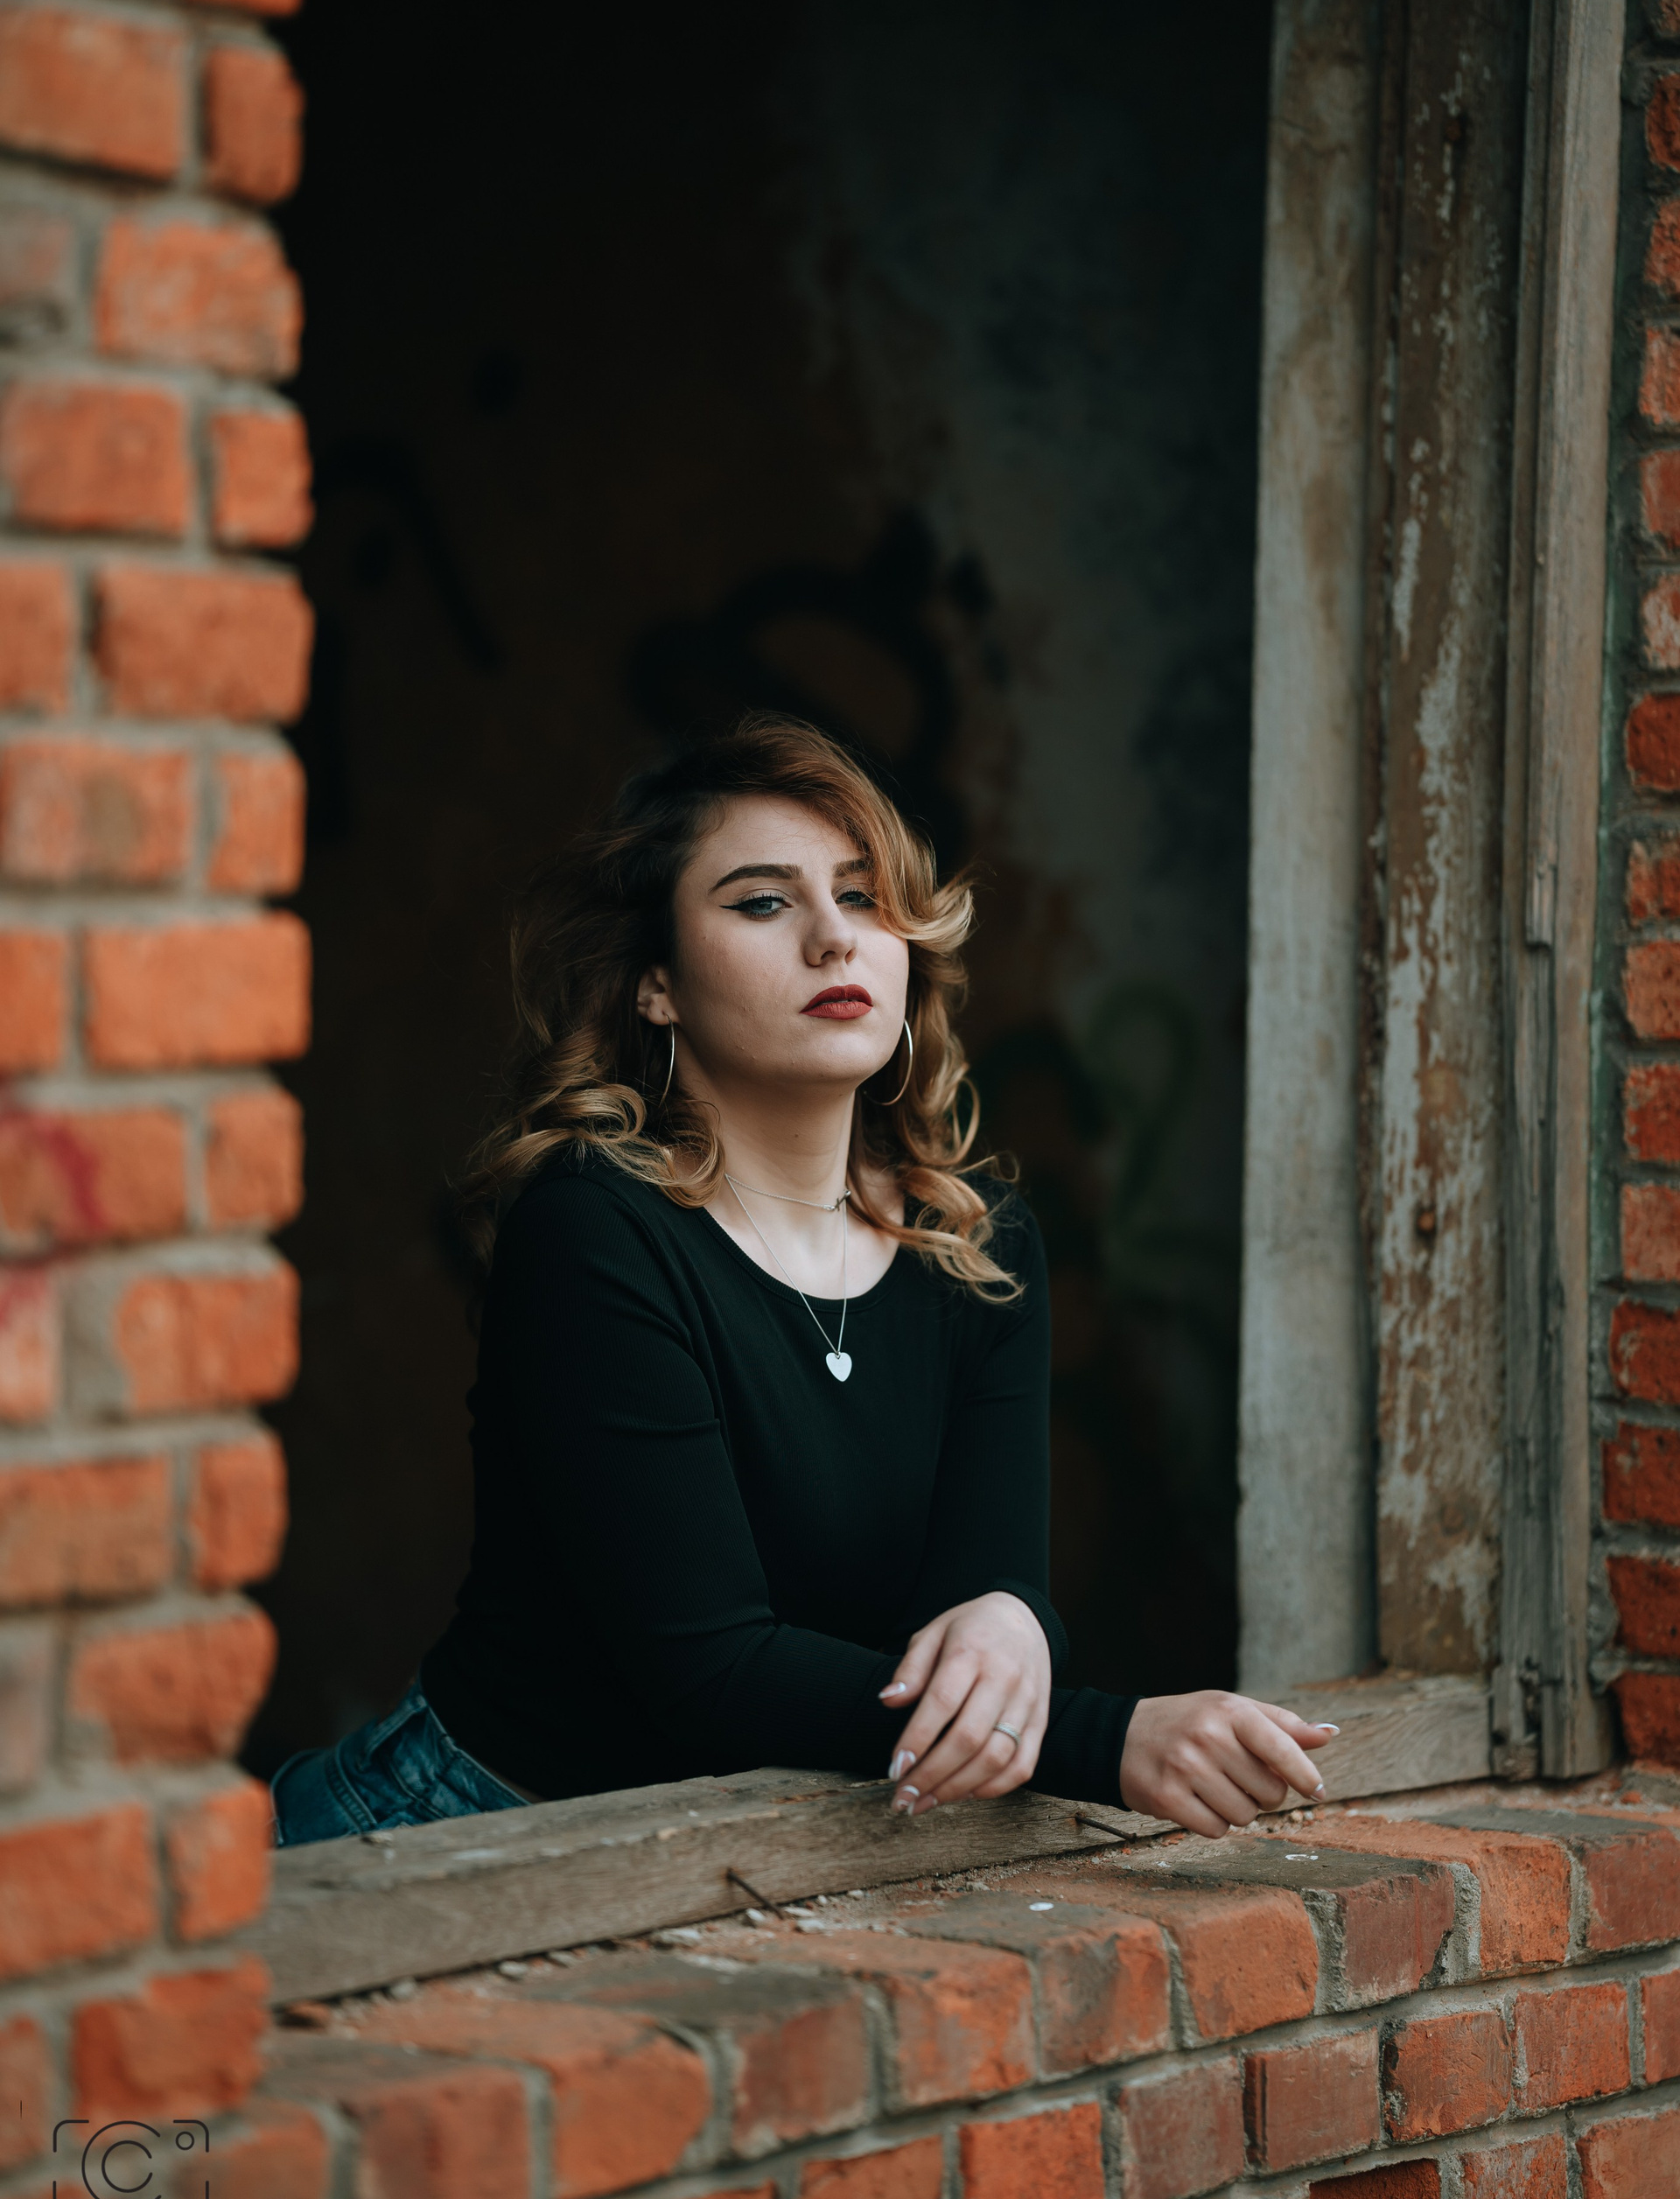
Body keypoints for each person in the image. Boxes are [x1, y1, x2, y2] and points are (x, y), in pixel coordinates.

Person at [270, 715, 1335, 1845]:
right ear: (657, 985)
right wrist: (1108, 1740)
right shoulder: (594, 1227)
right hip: (454, 1831)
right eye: (762, 902)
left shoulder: (976, 1243)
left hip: (745, 1848)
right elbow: (713, 1671)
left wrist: (1014, 1624)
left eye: (864, 896)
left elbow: (986, 1583)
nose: (834, 938)